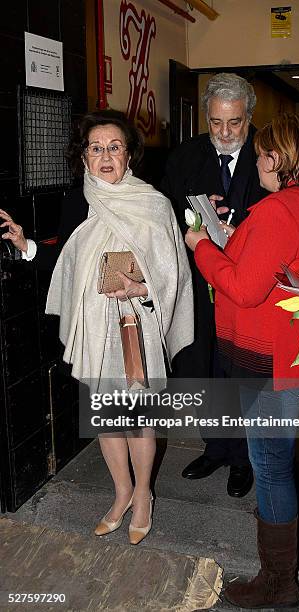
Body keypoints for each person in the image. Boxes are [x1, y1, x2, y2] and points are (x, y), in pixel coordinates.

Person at [0, 110, 194, 545]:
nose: (105, 156)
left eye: (114, 147)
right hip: (93, 323)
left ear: (129, 155)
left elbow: (174, 273)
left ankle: (144, 494)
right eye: (96, 148)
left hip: (136, 321)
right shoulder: (77, 202)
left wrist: (140, 287)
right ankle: (121, 492)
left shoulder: (154, 203)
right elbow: (66, 263)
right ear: (83, 156)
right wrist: (26, 244)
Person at [185, 113, 299, 609]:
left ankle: (279, 582)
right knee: (281, 462)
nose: (256, 158)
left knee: (269, 467)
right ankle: (288, 552)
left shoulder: (278, 209)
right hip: (296, 356)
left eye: (263, 152)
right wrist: (232, 239)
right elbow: (271, 265)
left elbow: (245, 289)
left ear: (279, 158)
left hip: (269, 362)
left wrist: (203, 246)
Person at [161, 73, 267, 495]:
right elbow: (164, 215)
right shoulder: (185, 157)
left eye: (235, 123)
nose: (224, 133)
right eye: (216, 122)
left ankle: (243, 458)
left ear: (249, 117)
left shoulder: (270, 154)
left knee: (241, 371)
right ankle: (215, 447)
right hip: (200, 285)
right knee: (203, 366)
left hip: (249, 287)